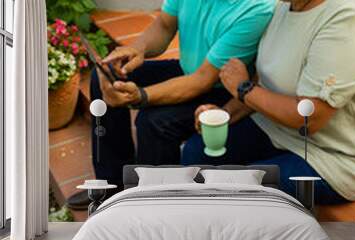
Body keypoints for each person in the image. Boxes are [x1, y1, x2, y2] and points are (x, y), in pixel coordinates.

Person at [67, 0, 275, 209]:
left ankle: (153, 207)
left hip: (223, 91)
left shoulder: (256, 8)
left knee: (156, 122)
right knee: (104, 76)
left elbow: (203, 79)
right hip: (189, 70)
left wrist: (140, 96)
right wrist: (136, 49)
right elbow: (164, 25)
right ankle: (111, 186)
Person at [181, 0, 355, 204]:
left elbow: (308, 118)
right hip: (277, 129)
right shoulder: (284, 7)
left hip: (335, 157)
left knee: (240, 189)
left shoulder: (346, 18)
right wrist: (224, 114)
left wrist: (243, 89)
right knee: (195, 152)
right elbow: (264, 80)